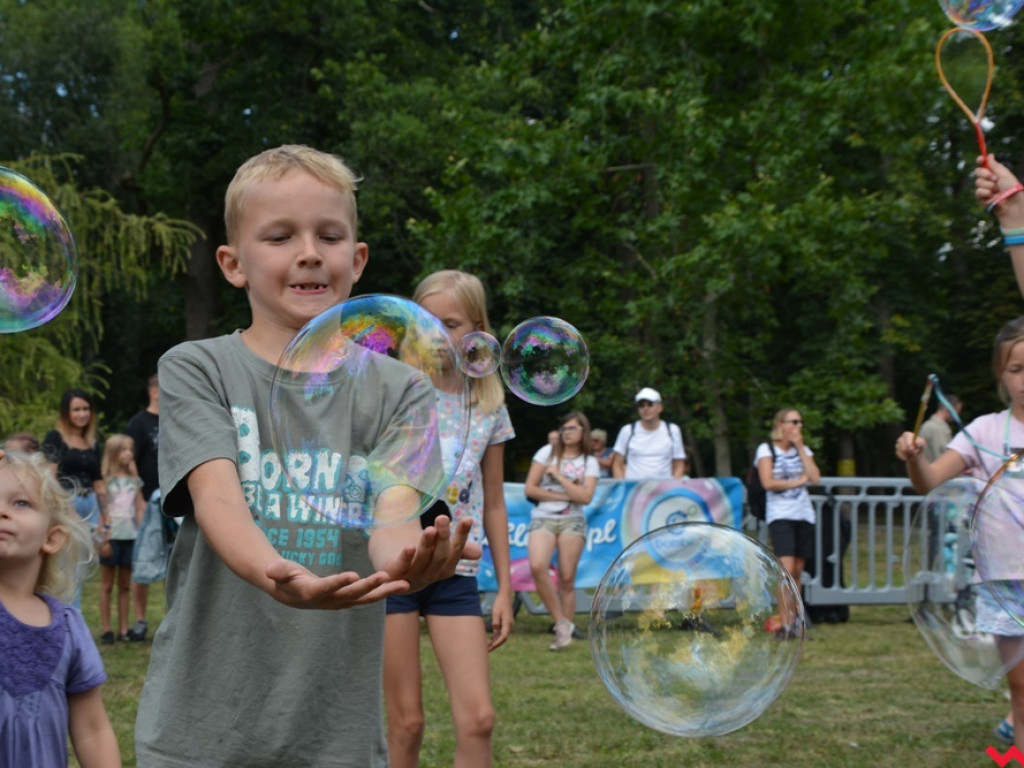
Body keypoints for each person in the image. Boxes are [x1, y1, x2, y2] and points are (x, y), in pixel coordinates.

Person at [133, 145, 480, 767]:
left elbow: (392, 516)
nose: (310, 252)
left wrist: (406, 561)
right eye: (279, 236)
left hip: (333, 736)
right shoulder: (197, 368)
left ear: (357, 259)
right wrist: (276, 572)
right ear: (233, 264)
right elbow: (217, 499)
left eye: (329, 235)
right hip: (199, 730)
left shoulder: (401, 389)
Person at [384, 269, 515, 768]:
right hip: (394, 568)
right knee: (406, 725)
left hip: (457, 572)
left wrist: (504, 589)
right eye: (426, 322)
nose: (438, 334)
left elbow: (494, 502)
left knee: (479, 719)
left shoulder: (488, 404)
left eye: (452, 323)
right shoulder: (392, 392)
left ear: (478, 329)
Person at [897, 317, 1024, 752]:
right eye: (1016, 369)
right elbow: (930, 481)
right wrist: (914, 458)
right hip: (1005, 580)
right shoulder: (984, 431)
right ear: (1001, 375)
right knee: (1021, 688)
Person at [0, 449, 121, 767]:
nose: (2, 511)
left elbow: (92, 730)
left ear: (52, 537)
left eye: (20, 503)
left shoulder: (68, 625)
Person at [524, 412, 599, 650]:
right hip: (543, 517)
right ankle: (561, 623)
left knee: (567, 578)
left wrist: (558, 476)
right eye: (564, 428)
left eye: (573, 428)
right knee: (538, 566)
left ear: (583, 432)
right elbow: (530, 489)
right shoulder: (546, 453)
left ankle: (563, 635)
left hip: (572, 520)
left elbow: (586, 497)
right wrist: (567, 495)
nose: (567, 433)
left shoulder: (589, 461)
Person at [756, 408, 821, 636]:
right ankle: (784, 623)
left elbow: (815, 477)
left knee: (798, 572)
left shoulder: (803, 449)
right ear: (780, 424)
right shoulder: (766, 449)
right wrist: (797, 482)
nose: (798, 426)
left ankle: (795, 623)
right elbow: (767, 482)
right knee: (786, 570)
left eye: (800, 422)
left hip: (804, 514)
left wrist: (801, 447)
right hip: (780, 514)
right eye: (793, 421)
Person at [42, 388, 105, 610]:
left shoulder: (92, 442)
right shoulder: (55, 438)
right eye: (76, 409)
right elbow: (49, 478)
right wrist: (69, 511)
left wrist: (104, 517)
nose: (82, 414)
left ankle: (72, 617)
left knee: (81, 568)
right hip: (65, 502)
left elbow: (98, 481)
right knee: (65, 568)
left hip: (90, 504)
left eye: (86, 409)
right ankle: (64, 617)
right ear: (66, 412)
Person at [123, 373, 162, 642]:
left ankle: (177, 616)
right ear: (154, 391)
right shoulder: (138, 424)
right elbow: (128, 464)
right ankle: (139, 620)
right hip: (147, 502)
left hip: (175, 503)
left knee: (178, 561)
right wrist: (138, 500)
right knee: (143, 562)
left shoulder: (177, 419)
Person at [96, 434, 145, 645]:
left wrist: (142, 534)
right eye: (124, 450)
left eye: (130, 450)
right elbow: (102, 511)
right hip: (112, 537)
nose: (129, 454)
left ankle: (124, 628)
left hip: (130, 537)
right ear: (114, 453)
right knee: (107, 585)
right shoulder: (104, 480)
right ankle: (107, 629)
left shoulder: (135, 480)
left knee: (125, 585)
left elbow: (140, 507)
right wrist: (102, 539)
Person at [611, 387, 686, 480]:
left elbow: (679, 464)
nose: (645, 408)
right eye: (641, 405)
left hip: (663, 487)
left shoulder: (672, 430)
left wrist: (674, 485)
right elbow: (617, 464)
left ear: (660, 407)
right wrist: (621, 485)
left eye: (650, 404)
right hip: (634, 487)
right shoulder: (627, 431)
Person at [919, 395, 962, 463]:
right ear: (948, 408)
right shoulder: (936, 428)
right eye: (957, 410)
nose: (957, 415)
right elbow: (943, 459)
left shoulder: (932, 426)